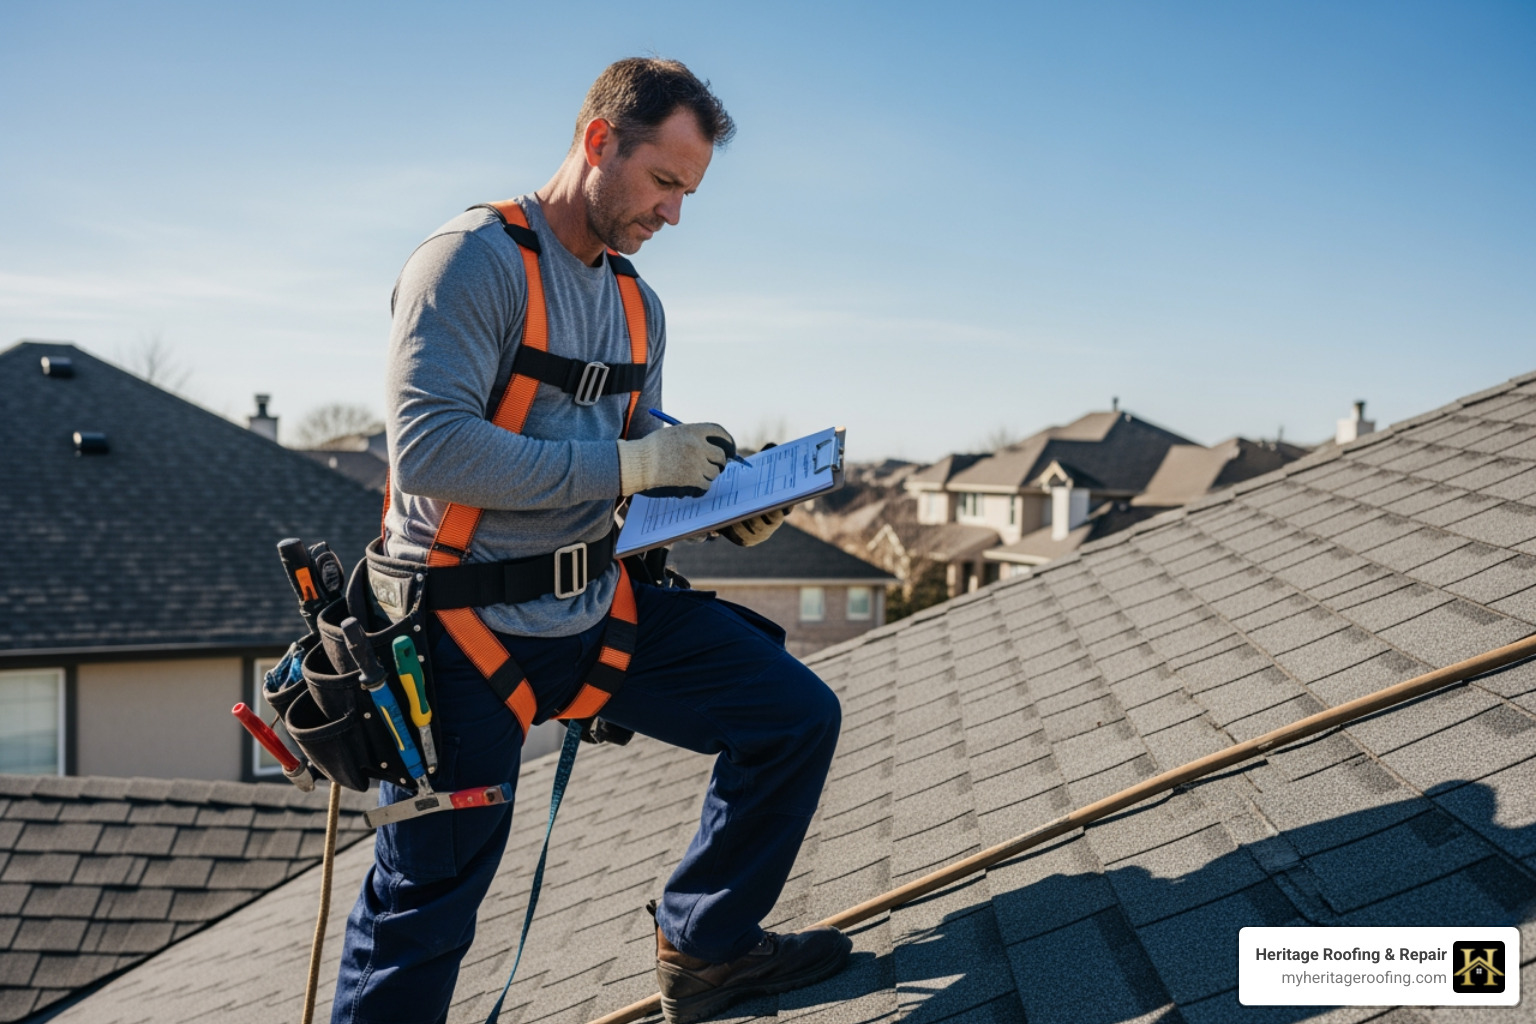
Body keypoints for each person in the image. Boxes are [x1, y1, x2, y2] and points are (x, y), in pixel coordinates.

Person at [332, 58, 849, 1024]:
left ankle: (707, 948)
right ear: (599, 141)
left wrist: (720, 489)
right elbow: (432, 449)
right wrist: (636, 465)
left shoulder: (638, 304)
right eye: (664, 182)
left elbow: (632, 437)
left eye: (688, 193)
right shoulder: (469, 262)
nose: (674, 215)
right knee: (425, 905)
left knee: (792, 715)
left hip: (592, 610)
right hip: (458, 632)